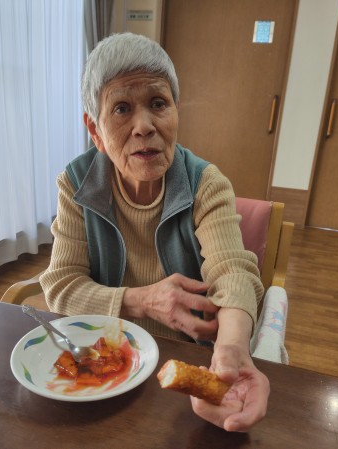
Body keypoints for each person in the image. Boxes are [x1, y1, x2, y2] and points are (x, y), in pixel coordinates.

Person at [40, 32, 270, 432]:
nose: (144, 126)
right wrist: (143, 301)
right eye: (122, 108)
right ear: (95, 130)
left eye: (158, 103)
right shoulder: (77, 184)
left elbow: (233, 273)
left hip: (188, 361)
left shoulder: (205, 184)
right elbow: (61, 287)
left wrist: (233, 352)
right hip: (108, 358)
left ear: (176, 111)